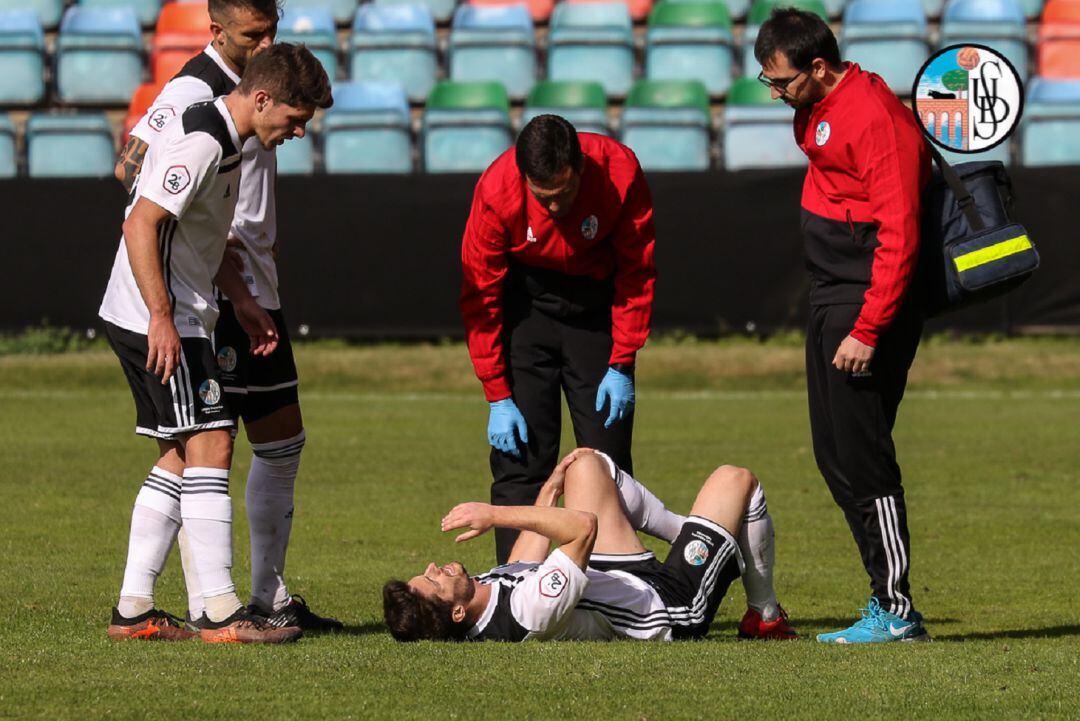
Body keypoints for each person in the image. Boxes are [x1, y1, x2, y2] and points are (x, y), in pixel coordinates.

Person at [115, 0, 341, 632]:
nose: (265, 39)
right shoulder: (198, 98)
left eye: (271, 30)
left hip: (229, 288)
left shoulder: (241, 117)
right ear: (217, 30)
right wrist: (177, 292)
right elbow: (134, 180)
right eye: (252, 33)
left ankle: (169, 604)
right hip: (191, 298)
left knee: (239, 443)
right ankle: (216, 606)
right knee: (206, 444)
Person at [755, 9, 932, 643]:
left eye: (782, 82)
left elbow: (902, 231)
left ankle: (898, 608)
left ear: (820, 68)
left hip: (864, 303)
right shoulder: (822, 105)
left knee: (864, 456)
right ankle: (884, 602)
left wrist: (870, 326)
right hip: (833, 294)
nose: (775, 94)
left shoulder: (874, 117)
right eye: (766, 82)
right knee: (835, 456)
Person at [460, 115, 657, 564]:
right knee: (522, 458)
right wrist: (497, 394)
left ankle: (614, 587)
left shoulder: (620, 171)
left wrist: (621, 361)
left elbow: (636, 271)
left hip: (595, 313)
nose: (552, 208)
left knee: (605, 461)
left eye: (563, 194)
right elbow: (480, 298)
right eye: (541, 196)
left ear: (581, 168)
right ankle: (515, 583)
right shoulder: (496, 190)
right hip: (525, 310)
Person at [383, 449, 796, 642]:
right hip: (668, 606)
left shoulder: (481, 596)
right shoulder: (529, 614)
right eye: (435, 581)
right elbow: (583, 527)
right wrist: (494, 514)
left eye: (429, 570)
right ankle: (766, 615)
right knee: (736, 479)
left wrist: (546, 494)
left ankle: (700, 536)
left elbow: (522, 565)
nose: (437, 566)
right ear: (456, 612)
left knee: (583, 464)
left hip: (618, 575)